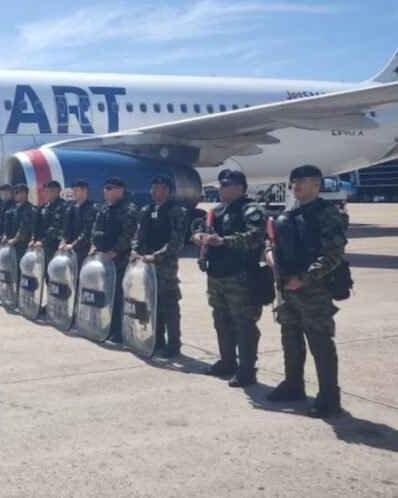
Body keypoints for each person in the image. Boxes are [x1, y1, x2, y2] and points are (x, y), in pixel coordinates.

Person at [265, 165, 348, 418]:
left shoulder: (328, 214)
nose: (296, 186)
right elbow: (272, 241)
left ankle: (329, 398)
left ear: (317, 184)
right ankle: (293, 385)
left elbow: (333, 254)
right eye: (293, 182)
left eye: (302, 181)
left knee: (320, 341)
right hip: (287, 287)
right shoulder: (290, 214)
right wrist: (268, 254)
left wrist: (303, 279)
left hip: (314, 288)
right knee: (290, 337)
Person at [192, 170, 266, 386]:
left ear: (240, 187)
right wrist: (198, 237)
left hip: (240, 276)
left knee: (244, 324)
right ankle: (227, 361)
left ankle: (246, 370)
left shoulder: (251, 210)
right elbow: (203, 231)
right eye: (221, 184)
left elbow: (255, 237)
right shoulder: (216, 211)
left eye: (226, 184)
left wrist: (223, 241)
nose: (221, 187)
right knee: (221, 321)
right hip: (217, 276)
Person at [131, 175, 187, 358]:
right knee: (152, 303)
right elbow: (139, 236)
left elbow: (177, 241)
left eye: (162, 189)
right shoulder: (147, 209)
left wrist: (156, 256)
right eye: (154, 188)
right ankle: (157, 340)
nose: (157, 192)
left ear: (168, 191)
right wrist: (135, 251)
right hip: (146, 264)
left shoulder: (176, 211)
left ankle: (174, 344)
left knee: (169, 305)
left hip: (165, 265)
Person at [90, 177, 139, 343]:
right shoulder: (104, 208)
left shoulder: (129, 209)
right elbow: (96, 228)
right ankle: (108, 325)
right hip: (104, 258)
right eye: (106, 188)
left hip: (120, 260)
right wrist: (94, 246)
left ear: (120, 190)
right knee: (105, 292)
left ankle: (119, 330)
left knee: (119, 296)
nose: (106, 191)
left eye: (110, 188)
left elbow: (129, 234)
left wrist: (115, 251)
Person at [60, 179, 97, 270]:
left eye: (76, 190)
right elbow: (66, 229)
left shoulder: (92, 209)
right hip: (71, 251)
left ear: (85, 190)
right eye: (73, 191)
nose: (74, 193)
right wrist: (63, 241)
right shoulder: (72, 209)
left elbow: (88, 231)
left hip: (85, 250)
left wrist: (74, 245)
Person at [31, 180, 67, 264]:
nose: (46, 193)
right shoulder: (43, 207)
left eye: (50, 191)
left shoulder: (62, 207)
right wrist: (34, 239)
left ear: (58, 191)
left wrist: (43, 241)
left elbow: (56, 227)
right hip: (41, 246)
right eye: (46, 191)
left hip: (54, 245)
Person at [4, 184, 35, 261]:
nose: (15, 195)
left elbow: (25, 227)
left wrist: (15, 239)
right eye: (14, 193)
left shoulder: (29, 209)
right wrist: (6, 236)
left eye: (17, 193)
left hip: (22, 244)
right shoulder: (14, 208)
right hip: (11, 243)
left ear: (24, 194)